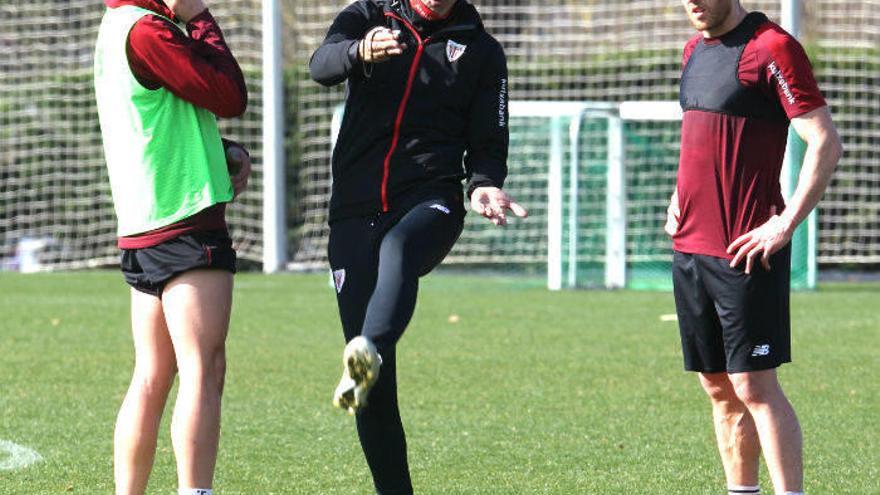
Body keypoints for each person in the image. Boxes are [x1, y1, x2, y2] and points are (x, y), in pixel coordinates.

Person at [310, 0, 526, 492]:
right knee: (373, 393)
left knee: (400, 249)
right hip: (353, 207)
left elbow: (490, 139)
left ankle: (370, 349)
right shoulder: (369, 13)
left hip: (432, 197)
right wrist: (359, 50)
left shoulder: (481, 48)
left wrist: (485, 183)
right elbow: (321, 65)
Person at [667, 2, 843, 494]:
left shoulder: (772, 47)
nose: (693, 2)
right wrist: (676, 197)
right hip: (691, 247)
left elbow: (825, 141)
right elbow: (702, 136)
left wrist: (785, 223)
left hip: (746, 249)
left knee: (754, 386)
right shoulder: (692, 50)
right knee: (718, 388)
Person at [93, 1, 250, 494]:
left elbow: (159, 118)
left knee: (153, 373)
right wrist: (200, 16)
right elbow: (228, 94)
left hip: (145, 220)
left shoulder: (118, 23)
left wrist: (221, 152)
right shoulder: (150, 29)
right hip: (184, 219)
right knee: (203, 369)